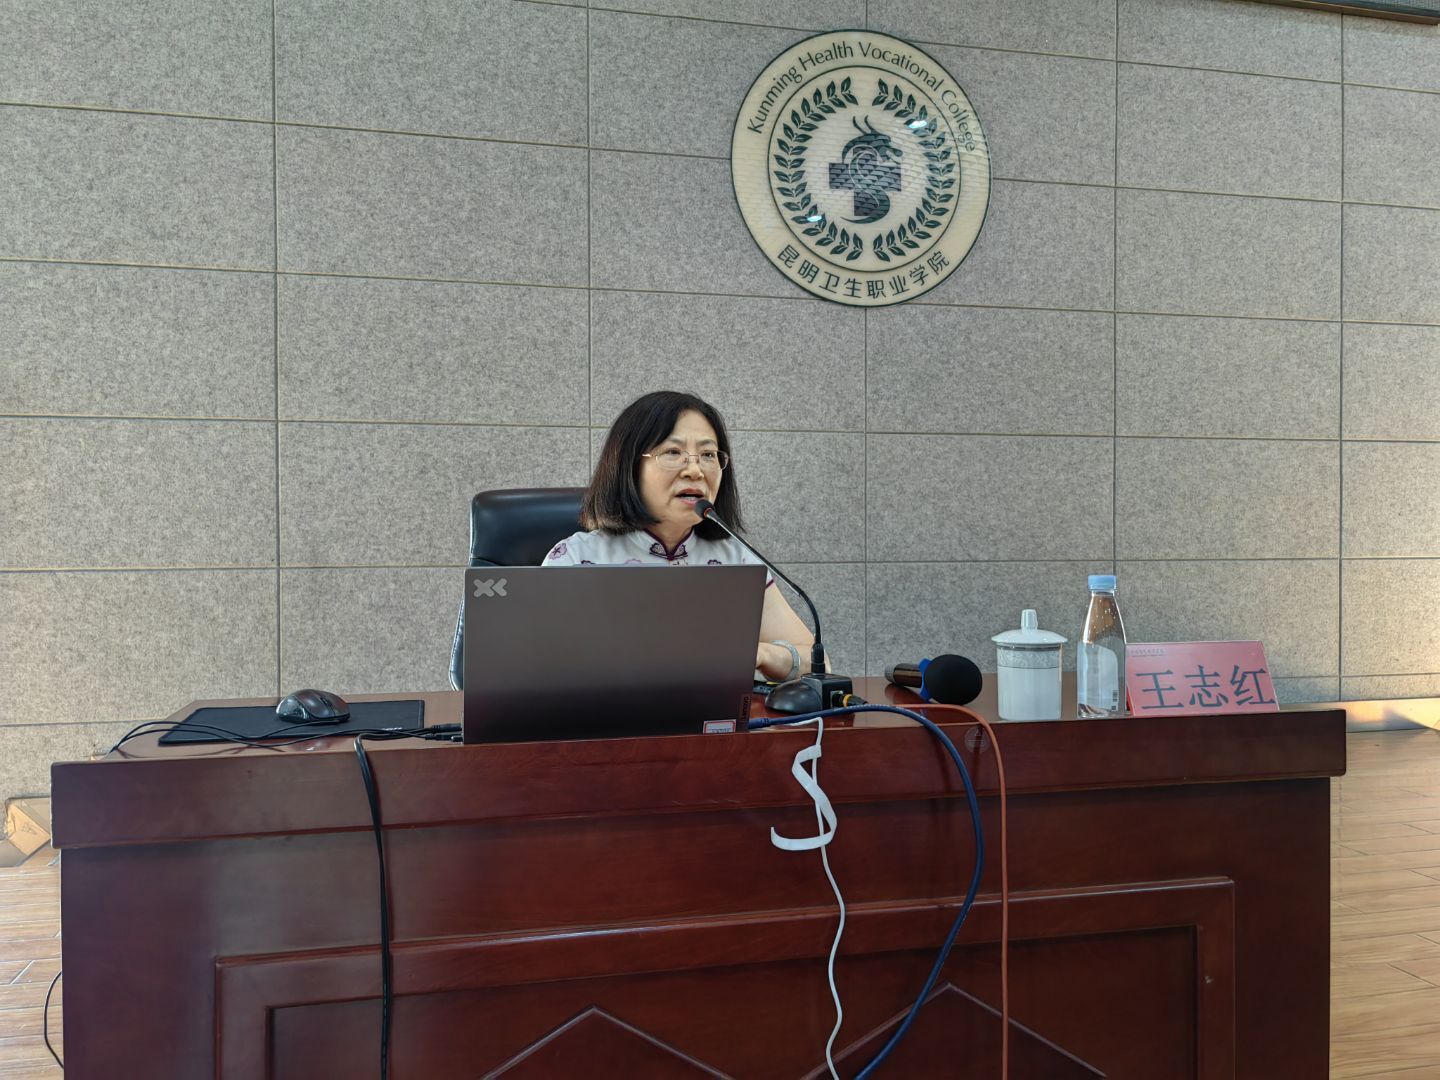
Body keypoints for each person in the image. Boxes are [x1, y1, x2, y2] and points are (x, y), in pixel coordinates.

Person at [542, 390, 820, 683]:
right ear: (628, 465)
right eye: (673, 453)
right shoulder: (576, 559)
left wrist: (758, 653)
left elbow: (816, 663)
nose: (695, 470)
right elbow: (536, 665)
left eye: (708, 455)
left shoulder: (736, 558)